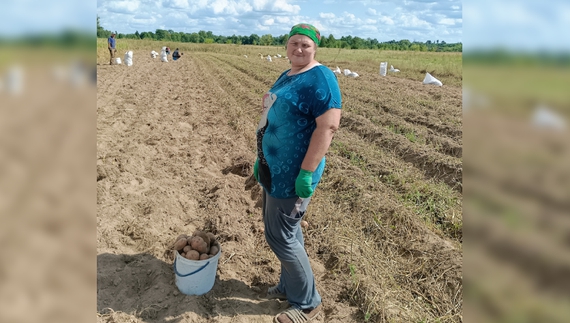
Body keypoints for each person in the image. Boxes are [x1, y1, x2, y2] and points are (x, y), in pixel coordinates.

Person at [253, 23, 342, 323]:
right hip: (273, 171)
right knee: (289, 233)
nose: (299, 49)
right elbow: (270, 110)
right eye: (294, 44)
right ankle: (289, 286)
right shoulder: (288, 74)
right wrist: (261, 156)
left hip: (294, 174)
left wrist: (306, 172)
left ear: (315, 47)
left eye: (305, 44)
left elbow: (327, 127)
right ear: (287, 46)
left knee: (280, 236)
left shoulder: (322, 77)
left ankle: (307, 304)